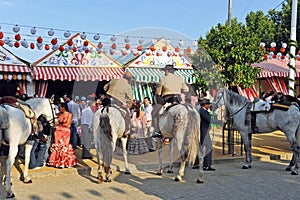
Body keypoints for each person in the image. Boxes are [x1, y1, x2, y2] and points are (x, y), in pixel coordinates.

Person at [152, 64, 189, 139]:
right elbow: (186, 89)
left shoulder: (163, 79)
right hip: (178, 100)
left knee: (155, 113)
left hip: (168, 100)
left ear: (166, 71)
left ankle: (158, 131)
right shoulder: (180, 78)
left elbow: (158, 92)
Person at [103, 71, 134, 136]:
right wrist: (128, 106)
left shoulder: (114, 80)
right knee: (127, 115)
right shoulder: (127, 86)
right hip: (118, 102)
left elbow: (105, 87)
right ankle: (126, 132)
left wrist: (109, 92)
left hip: (108, 100)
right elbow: (131, 98)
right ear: (129, 79)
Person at [47, 102, 76, 168]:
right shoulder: (58, 115)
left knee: (64, 146)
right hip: (57, 132)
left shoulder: (69, 114)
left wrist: (59, 124)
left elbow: (67, 124)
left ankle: (64, 162)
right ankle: (55, 161)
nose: (59, 109)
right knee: (57, 145)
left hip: (65, 132)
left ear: (64, 107)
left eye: (60, 107)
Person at [193, 98, 215, 171]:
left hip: (203, 131)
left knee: (201, 148)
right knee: (209, 147)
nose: (209, 106)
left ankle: (197, 163)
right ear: (205, 105)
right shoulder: (203, 112)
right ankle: (207, 165)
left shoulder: (202, 111)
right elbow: (209, 120)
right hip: (204, 132)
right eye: (208, 104)